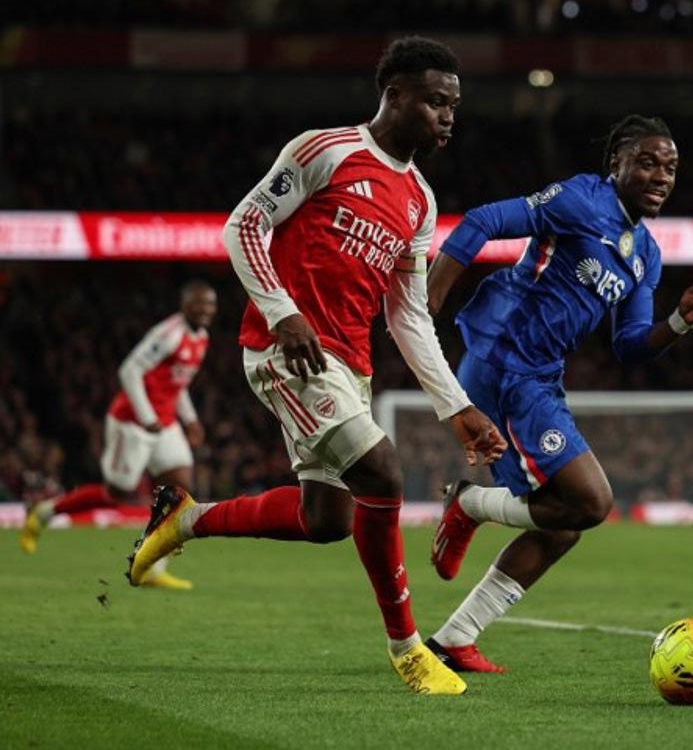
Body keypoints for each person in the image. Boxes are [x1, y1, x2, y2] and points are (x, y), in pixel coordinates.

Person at [124, 37, 507, 695]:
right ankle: (410, 649)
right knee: (383, 471)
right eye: (436, 101)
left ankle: (183, 517)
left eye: (454, 106)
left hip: (347, 365)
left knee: (326, 521)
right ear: (395, 95)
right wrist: (281, 312)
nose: (448, 116)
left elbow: (409, 316)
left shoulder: (419, 199)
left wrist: (458, 408)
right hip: (287, 352)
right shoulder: (325, 150)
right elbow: (244, 226)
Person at [422, 115, 693, 673]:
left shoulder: (646, 254)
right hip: (504, 360)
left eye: (671, 167)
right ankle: (466, 503)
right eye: (649, 162)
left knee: (565, 523)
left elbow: (631, 346)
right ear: (618, 164)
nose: (662, 176)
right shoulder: (582, 199)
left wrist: (680, 321)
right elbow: (484, 221)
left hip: (539, 375)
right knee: (592, 501)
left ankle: (453, 638)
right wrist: (428, 303)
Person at [19, 281, 217, 590]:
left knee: (181, 490)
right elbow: (129, 371)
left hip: (163, 423)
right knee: (117, 492)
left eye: (210, 305)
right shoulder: (169, 334)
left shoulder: (201, 339)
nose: (205, 310)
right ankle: (45, 512)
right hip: (132, 421)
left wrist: (190, 419)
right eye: (199, 303)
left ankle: (152, 565)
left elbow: (175, 385)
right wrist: (147, 416)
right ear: (184, 304)